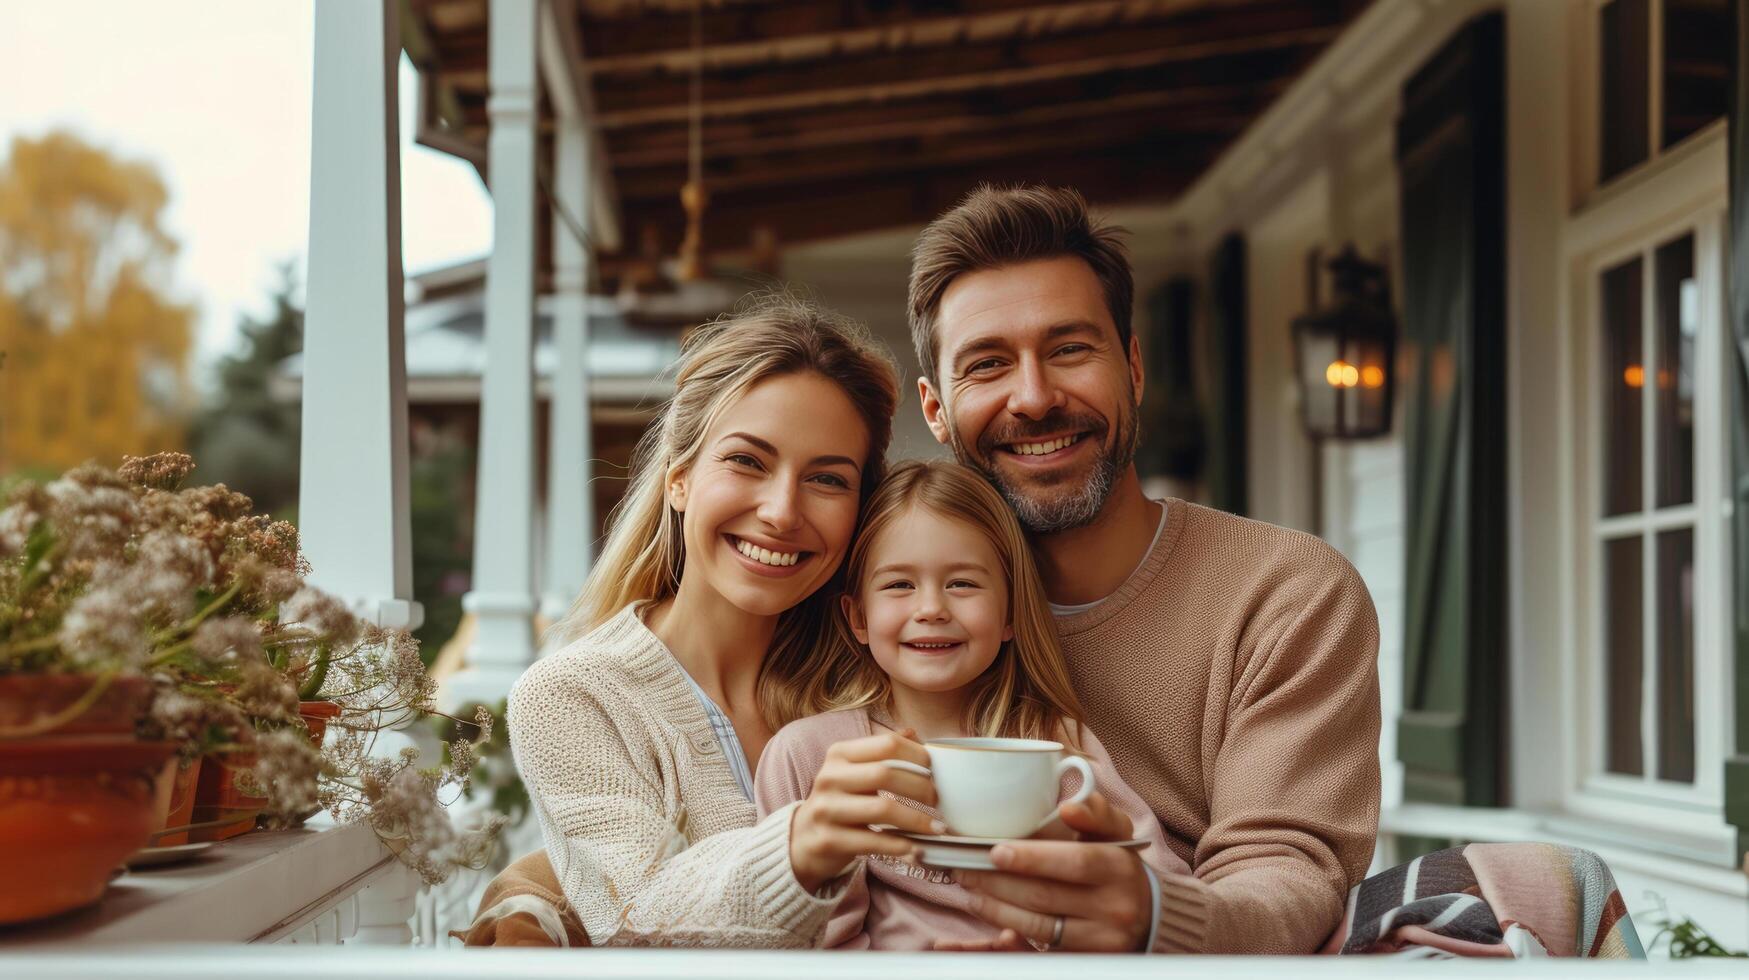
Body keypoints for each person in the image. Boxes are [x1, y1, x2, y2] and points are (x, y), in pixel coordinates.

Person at [905, 185, 1382, 953]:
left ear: (1131, 366)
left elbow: (1288, 872)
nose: (1032, 398)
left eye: (1068, 349)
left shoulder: (1285, 592)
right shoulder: (883, 607)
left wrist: (1157, 918)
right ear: (935, 408)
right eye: (987, 364)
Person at [506, 296, 945, 948]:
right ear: (679, 478)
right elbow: (645, 913)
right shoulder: (573, 696)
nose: (780, 511)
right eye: (747, 461)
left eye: (826, 479)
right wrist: (798, 848)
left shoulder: (886, 673)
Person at [753, 460, 1185, 950]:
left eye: (962, 583)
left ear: (1009, 615)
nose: (931, 608)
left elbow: (1157, 882)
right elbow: (805, 934)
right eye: (899, 585)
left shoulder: (1052, 747)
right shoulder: (810, 756)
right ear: (858, 618)